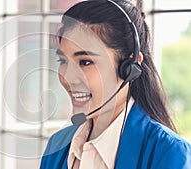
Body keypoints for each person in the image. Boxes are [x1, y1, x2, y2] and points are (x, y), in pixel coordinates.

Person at [39, 0, 191, 168]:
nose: (68, 77)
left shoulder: (168, 153)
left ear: (129, 67)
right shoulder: (57, 147)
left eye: (85, 62)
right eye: (63, 60)